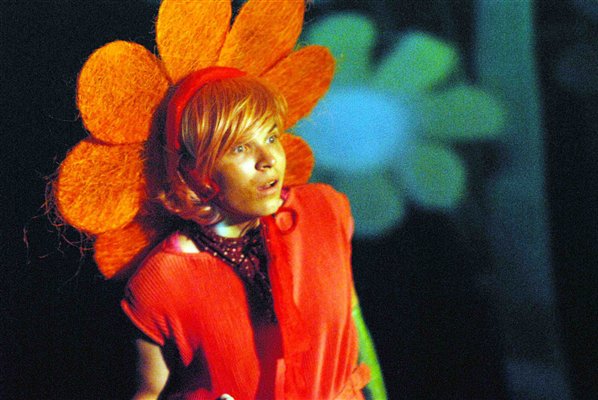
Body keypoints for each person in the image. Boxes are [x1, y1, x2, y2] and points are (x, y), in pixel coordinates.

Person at [52, 0, 386, 399]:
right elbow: (148, 392)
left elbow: (356, 335)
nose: (268, 159)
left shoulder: (323, 212)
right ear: (194, 170)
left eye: (271, 136)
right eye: (240, 147)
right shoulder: (162, 283)